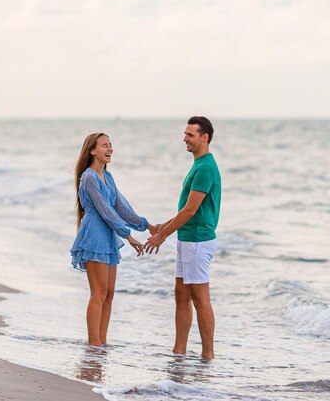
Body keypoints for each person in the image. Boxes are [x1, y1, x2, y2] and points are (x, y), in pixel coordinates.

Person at [145, 116, 221, 360]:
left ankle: (208, 354)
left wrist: (162, 236)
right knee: (181, 295)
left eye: (190, 135)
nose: (185, 138)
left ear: (204, 137)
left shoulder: (206, 167)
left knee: (200, 299)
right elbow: (186, 209)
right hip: (188, 238)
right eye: (185, 134)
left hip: (198, 240)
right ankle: (179, 351)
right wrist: (163, 227)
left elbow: (190, 211)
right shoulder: (198, 164)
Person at [71, 132, 157, 346]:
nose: (110, 149)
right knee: (98, 293)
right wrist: (128, 236)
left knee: (109, 294)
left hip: (108, 236)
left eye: (110, 145)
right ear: (92, 150)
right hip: (94, 235)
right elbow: (105, 211)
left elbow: (121, 207)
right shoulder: (89, 177)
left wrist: (146, 226)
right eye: (104, 146)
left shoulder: (107, 177)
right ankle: (94, 344)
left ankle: (102, 342)